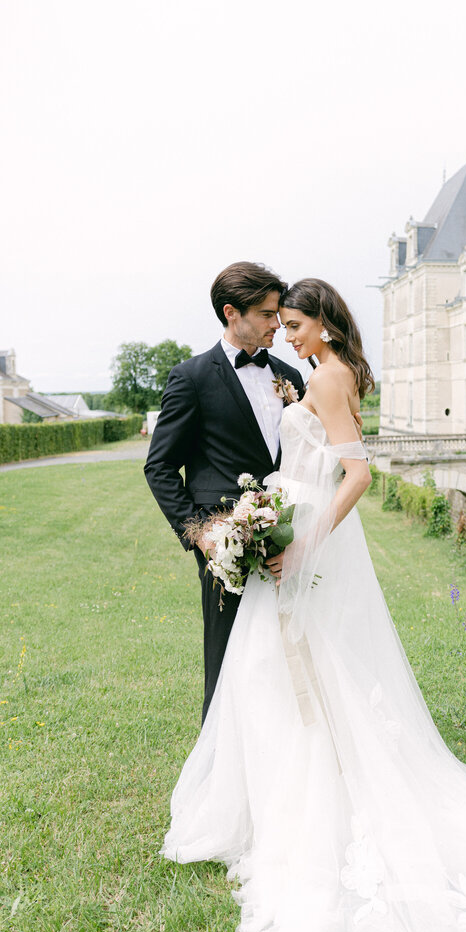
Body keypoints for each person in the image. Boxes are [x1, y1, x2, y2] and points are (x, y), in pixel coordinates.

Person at [161, 278, 466, 932]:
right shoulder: (309, 376)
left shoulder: (327, 373)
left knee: (304, 675)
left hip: (311, 542)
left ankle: (307, 819)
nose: (288, 335)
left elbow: (359, 471)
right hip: (289, 532)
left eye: (297, 324)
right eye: (278, 322)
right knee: (273, 676)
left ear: (325, 327)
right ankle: (269, 807)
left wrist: (304, 536)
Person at [144, 262, 305, 724]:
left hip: (288, 539)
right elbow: (159, 466)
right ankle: (219, 765)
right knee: (229, 654)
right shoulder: (190, 378)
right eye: (268, 314)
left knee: (287, 649)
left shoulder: (289, 374)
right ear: (232, 313)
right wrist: (202, 533)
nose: (278, 323)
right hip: (226, 544)